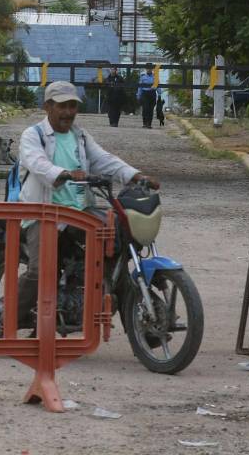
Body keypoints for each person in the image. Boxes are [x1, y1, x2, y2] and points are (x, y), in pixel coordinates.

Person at [16, 81, 157, 327]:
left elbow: (104, 160)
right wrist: (66, 173)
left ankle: (138, 325)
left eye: (73, 106)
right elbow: (38, 164)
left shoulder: (79, 136)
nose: (69, 112)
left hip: (79, 212)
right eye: (63, 106)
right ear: (47, 106)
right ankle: (8, 320)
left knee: (118, 242)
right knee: (40, 271)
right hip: (44, 212)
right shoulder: (33, 135)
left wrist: (135, 175)